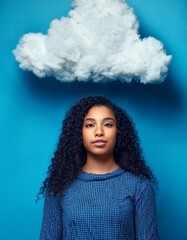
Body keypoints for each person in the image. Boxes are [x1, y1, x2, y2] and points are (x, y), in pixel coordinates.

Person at [38, 96, 159, 240]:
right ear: (79, 133)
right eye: (90, 125)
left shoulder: (139, 187)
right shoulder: (59, 186)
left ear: (118, 132)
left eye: (108, 124)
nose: (99, 132)